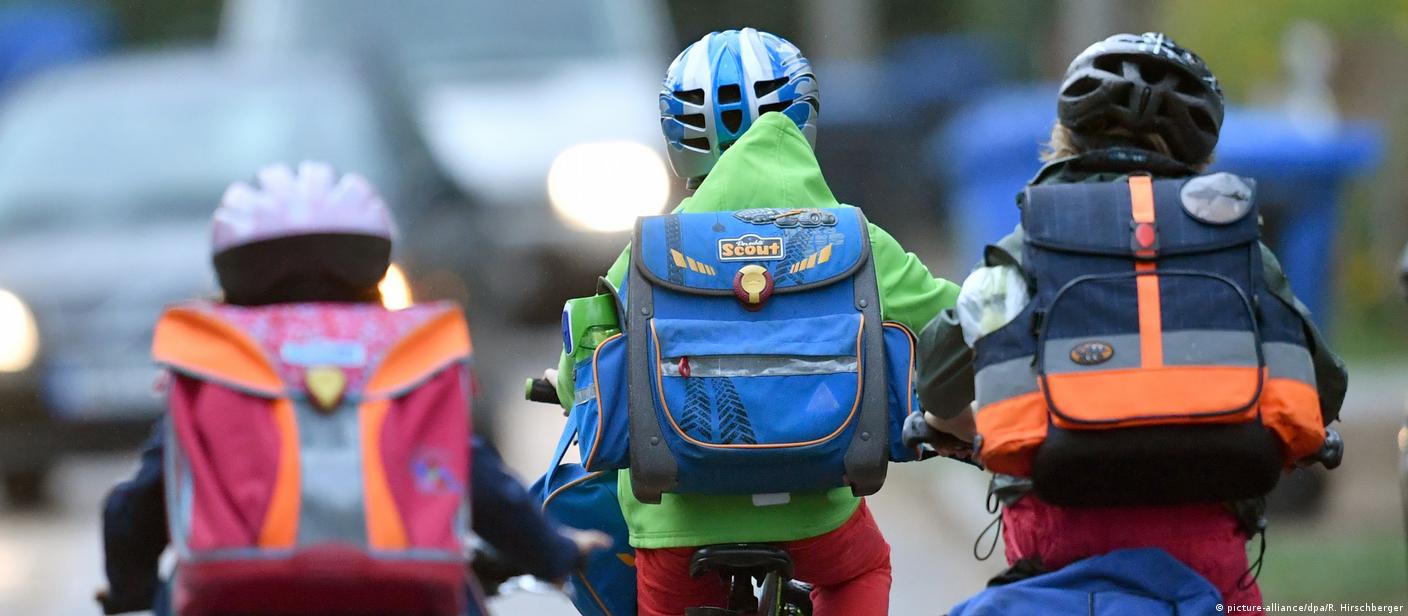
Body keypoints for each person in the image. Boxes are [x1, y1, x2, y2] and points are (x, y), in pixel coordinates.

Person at [913, 33, 1348, 608]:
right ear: (1199, 153)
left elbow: (938, 377)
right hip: (1205, 552)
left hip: (1059, 544)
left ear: (1065, 137)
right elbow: (1325, 386)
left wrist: (953, 427)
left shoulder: (1029, 246)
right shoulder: (1238, 251)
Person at [551, 28, 961, 616]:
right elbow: (955, 322)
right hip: (816, 514)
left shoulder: (648, 250)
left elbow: (582, 373)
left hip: (675, 523)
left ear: (680, 136)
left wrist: (567, 385)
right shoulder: (854, 239)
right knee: (861, 568)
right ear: (803, 116)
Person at [98, 162, 607, 616]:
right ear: (372, 262)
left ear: (233, 269)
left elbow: (137, 507)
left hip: (231, 592)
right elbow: (475, 478)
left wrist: (130, 589)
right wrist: (555, 553)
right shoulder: (408, 352)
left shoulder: (218, 360)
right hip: (407, 591)